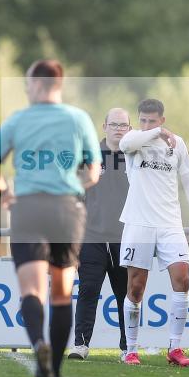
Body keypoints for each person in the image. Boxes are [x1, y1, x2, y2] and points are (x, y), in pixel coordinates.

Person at [0, 59, 101, 377]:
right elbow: (94, 172)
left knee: (32, 291)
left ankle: (38, 345)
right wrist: (73, 187)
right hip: (66, 209)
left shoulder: (18, 120)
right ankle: (55, 373)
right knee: (62, 292)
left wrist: (3, 190)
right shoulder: (79, 119)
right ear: (59, 85)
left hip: (28, 207)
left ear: (36, 85)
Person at [119, 98, 189, 367]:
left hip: (170, 224)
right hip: (139, 224)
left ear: (162, 119)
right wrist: (156, 133)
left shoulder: (177, 144)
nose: (147, 124)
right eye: (143, 120)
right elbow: (124, 144)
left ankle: (175, 348)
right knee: (136, 288)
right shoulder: (134, 139)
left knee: (182, 278)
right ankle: (131, 350)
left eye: (153, 121)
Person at [68, 108, 132, 361]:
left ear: (129, 128)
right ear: (104, 126)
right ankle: (80, 345)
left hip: (125, 238)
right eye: (114, 124)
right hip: (91, 237)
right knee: (88, 291)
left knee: (126, 296)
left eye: (123, 125)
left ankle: (128, 348)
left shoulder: (136, 156)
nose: (118, 128)